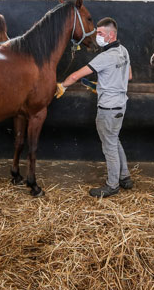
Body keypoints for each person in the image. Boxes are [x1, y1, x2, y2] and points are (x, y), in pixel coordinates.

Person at [55, 17, 133, 197]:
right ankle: (125, 177)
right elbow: (128, 76)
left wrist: (62, 86)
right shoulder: (123, 51)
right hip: (120, 105)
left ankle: (112, 185)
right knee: (114, 140)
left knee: (109, 147)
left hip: (108, 109)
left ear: (111, 35)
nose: (97, 36)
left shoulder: (105, 57)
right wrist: (104, 84)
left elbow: (75, 76)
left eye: (100, 33)